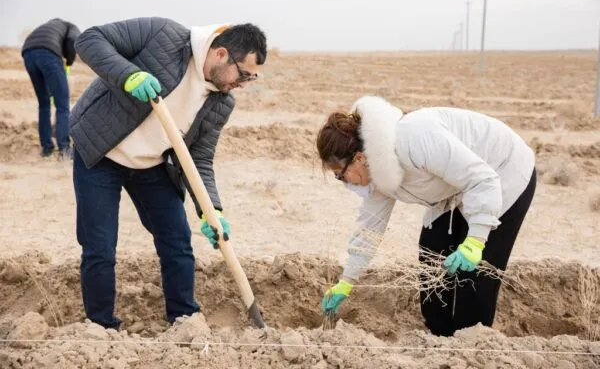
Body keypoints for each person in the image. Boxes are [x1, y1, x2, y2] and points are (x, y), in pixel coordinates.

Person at [69, 17, 267, 330]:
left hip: (152, 165)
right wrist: (129, 75)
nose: (241, 84)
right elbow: (89, 39)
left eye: (250, 80)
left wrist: (210, 210)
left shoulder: (221, 102)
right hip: (100, 152)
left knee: (177, 241)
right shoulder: (164, 36)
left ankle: (184, 319)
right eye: (242, 74)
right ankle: (101, 328)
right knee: (100, 246)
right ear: (220, 55)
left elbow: (199, 157)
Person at [317, 95, 536, 337]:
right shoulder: (377, 171)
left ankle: (472, 341)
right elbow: (369, 229)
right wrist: (347, 281)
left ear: (358, 158)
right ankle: (439, 336)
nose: (343, 182)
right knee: (431, 251)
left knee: (474, 276)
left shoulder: (415, 138)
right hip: (455, 187)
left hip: (502, 171)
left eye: (340, 174)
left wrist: (475, 241)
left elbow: (482, 180)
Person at [22, 18, 81, 159]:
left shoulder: (48, 27)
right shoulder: (71, 26)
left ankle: (47, 149)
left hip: (28, 53)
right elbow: (72, 42)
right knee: (62, 105)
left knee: (44, 104)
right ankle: (65, 149)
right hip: (49, 53)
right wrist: (69, 63)